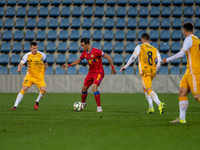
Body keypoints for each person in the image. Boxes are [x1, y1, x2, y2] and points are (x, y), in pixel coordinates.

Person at [62, 38, 117, 112]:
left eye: (83, 46)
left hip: (99, 72)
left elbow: (108, 57)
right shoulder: (84, 53)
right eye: (81, 46)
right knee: (84, 89)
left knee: (94, 88)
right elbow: (79, 60)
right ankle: (83, 104)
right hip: (91, 73)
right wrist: (68, 65)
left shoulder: (96, 51)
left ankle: (99, 108)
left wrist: (112, 68)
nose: (82, 47)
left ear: (87, 44)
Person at [162, 22, 200, 123]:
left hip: (194, 71)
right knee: (182, 92)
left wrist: (168, 59)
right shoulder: (197, 39)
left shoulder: (189, 39)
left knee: (197, 96)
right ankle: (182, 119)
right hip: (190, 70)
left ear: (184, 30)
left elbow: (181, 54)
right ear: (192, 29)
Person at [120, 33, 165, 115]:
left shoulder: (140, 47)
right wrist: (155, 70)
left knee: (148, 89)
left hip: (145, 71)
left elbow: (133, 57)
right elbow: (159, 61)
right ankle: (151, 107)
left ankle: (159, 103)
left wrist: (125, 66)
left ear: (142, 40)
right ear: (149, 40)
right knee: (145, 88)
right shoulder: (154, 49)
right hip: (152, 71)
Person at [12, 42, 47, 110]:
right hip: (30, 76)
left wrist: (43, 73)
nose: (35, 49)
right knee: (24, 88)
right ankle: (15, 106)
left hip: (39, 77)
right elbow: (21, 63)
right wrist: (19, 68)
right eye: (34, 48)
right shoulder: (27, 55)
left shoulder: (42, 55)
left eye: (36, 48)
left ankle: (37, 101)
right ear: (30, 48)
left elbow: (45, 64)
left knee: (43, 90)